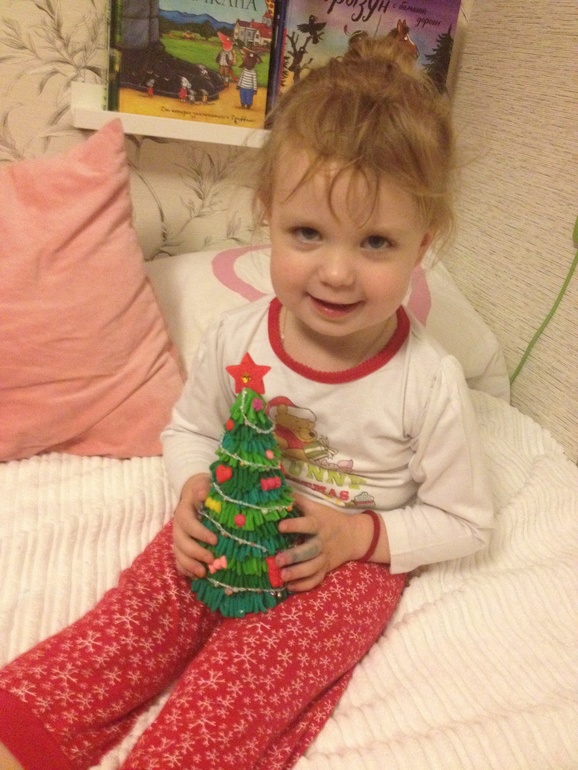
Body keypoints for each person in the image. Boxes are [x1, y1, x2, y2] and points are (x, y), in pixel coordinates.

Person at [0, 35, 494, 770]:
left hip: (343, 560)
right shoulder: (238, 338)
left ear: (422, 245)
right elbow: (189, 430)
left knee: (247, 680)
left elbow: (466, 521)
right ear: (268, 215)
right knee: (141, 610)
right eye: (308, 233)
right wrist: (192, 487)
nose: (336, 272)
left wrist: (357, 539)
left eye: (375, 243)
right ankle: (29, 726)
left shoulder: (427, 380)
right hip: (236, 509)